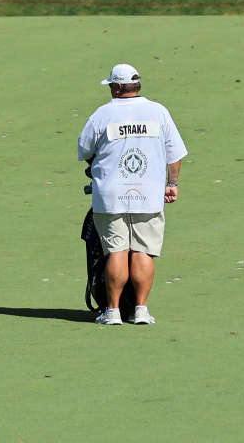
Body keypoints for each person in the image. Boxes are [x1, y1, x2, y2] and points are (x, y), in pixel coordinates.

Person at [77, 63, 188, 326]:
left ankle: (112, 312)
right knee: (143, 252)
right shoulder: (158, 112)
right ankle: (140, 310)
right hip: (148, 193)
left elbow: (84, 150)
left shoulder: (103, 114)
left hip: (110, 194)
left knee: (116, 251)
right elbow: (175, 154)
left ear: (116, 87)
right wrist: (173, 184)